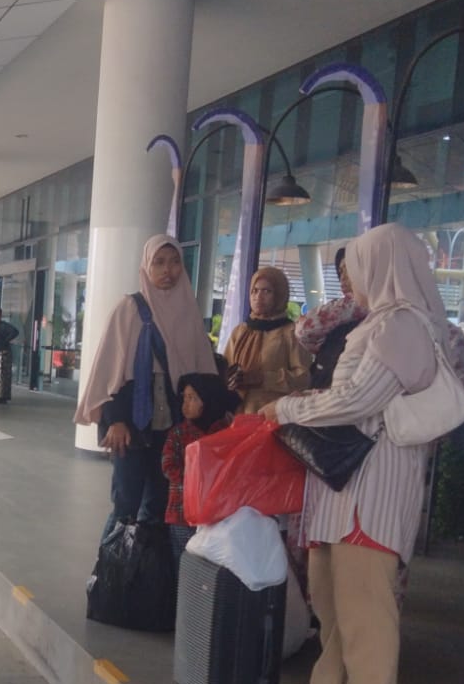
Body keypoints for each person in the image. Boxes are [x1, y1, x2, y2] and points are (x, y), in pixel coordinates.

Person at [263, 223, 462, 684]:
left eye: (356, 268)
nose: (349, 280)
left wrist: (287, 409)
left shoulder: (403, 325)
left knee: (366, 607)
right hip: (342, 482)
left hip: (372, 488)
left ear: (382, 265)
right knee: (331, 600)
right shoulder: (378, 323)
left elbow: (358, 400)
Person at [75, 234, 220, 533]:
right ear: (147, 266)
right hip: (132, 419)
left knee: (161, 502)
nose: (168, 270)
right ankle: (114, 560)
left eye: (175, 262)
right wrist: (115, 420)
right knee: (126, 502)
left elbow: (201, 369)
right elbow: (109, 369)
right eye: (159, 262)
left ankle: (148, 562)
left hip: (174, 421)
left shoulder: (189, 310)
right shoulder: (129, 308)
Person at [161, 369, 240, 555]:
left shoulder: (226, 434)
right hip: (182, 514)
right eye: (184, 398)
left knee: (211, 562)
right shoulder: (178, 433)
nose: (185, 404)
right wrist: (196, 479)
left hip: (217, 516)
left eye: (192, 398)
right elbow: (168, 466)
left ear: (209, 400)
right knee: (184, 559)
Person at [225, 265, 313, 413]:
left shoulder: (291, 332)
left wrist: (264, 379)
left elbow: (304, 379)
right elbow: (225, 368)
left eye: (266, 291)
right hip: (237, 415)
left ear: (279, 295)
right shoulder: (241, 331)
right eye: (255, 291)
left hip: (272, 416)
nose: (258, 297)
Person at [296, 247, 368, 389]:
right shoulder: (338, 318)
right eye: (340, 271)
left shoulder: (379, 310)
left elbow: (304, 330)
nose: (343, 277)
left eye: (349, 269)